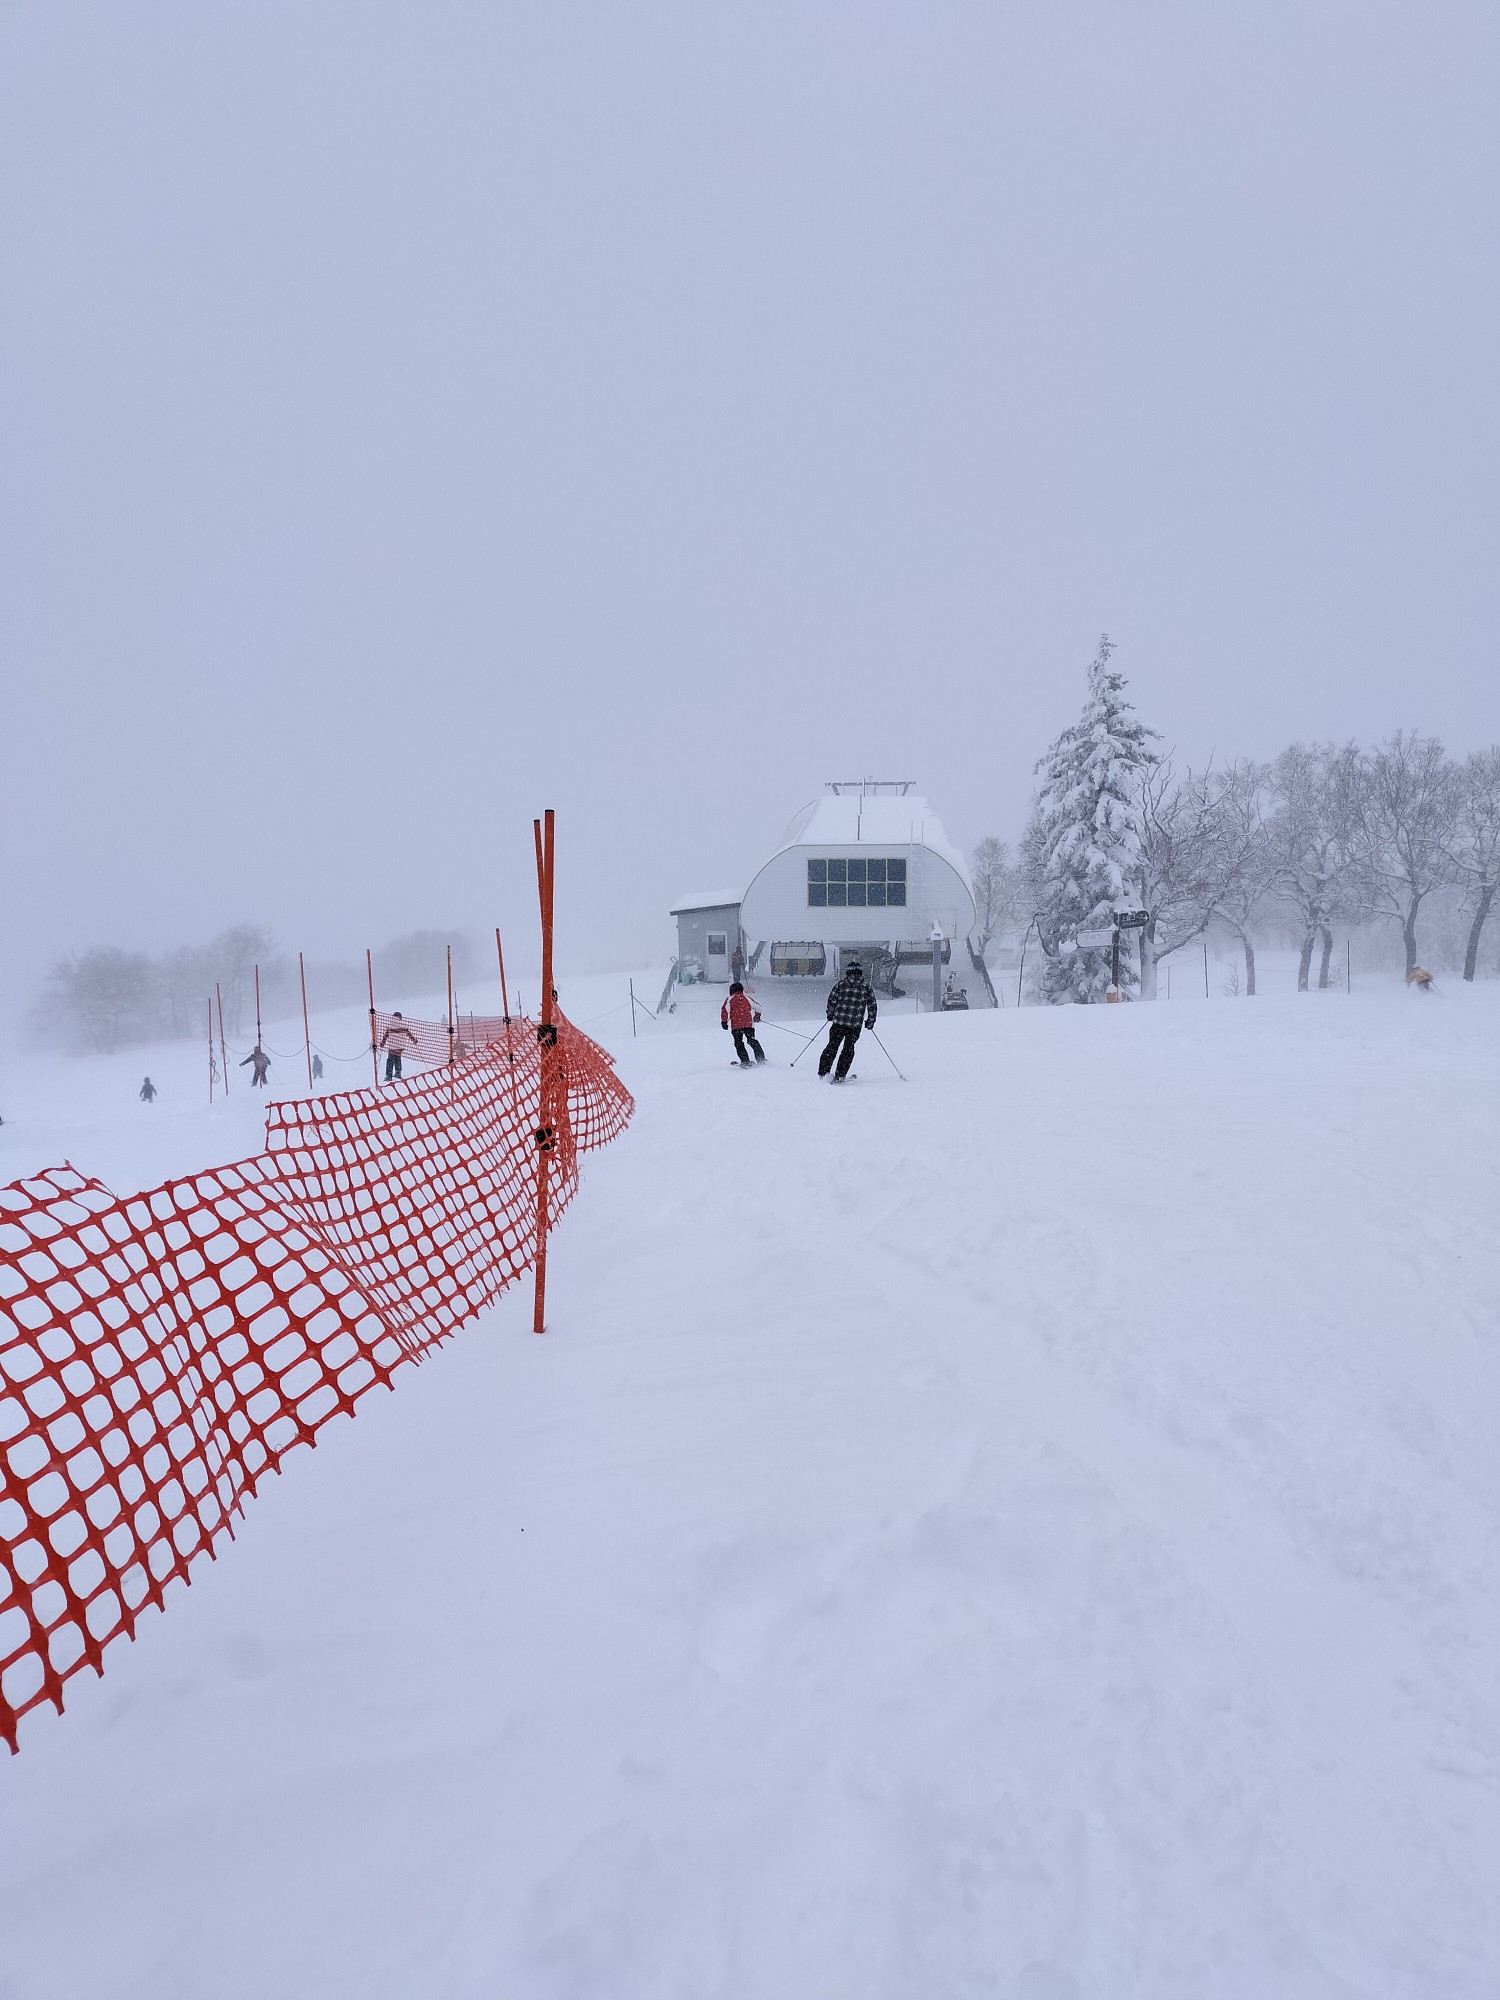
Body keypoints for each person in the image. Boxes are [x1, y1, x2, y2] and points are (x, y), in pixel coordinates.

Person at [819, 962, 877, 1082]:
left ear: (847, 972)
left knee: (832, 1046)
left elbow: (831, 1000)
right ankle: (840, 1074)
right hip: (854, 1026)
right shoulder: (866, 987)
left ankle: (823, 1072)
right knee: (848, 1050)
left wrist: (830, 1014)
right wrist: (870, 1021)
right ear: (860, 973)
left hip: (838, 1023)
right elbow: (872, 1005)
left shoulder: (840, 985)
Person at [720, 982, 767, 1066]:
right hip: (748, 1024)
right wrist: (757, 1017)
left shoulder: (729, 999)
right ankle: (761, 1059)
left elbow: (724, 1011)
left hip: (736, 1026)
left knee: (739, 1043)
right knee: (752, 1040)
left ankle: (745, 1061)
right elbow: (759, 1008)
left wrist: (724, 1022)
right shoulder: (747, 998)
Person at [380, 1011, 418, 1081]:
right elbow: (409, 1034)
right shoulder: (404, 1025)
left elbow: (386, 1036)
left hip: (392, 1047)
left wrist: (382, 1043)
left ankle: (389, 1075)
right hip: (400, 1046)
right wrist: (414, 1040)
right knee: (398, 1059)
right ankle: (398, 1073)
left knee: (390, 1060)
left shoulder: (390, 1025)